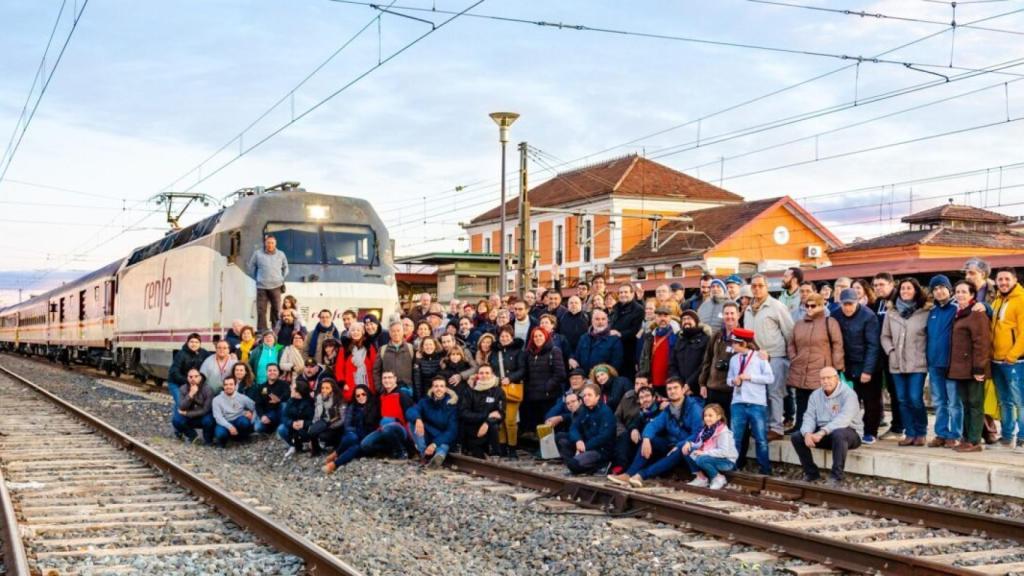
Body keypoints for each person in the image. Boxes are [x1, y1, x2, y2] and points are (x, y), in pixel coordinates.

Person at [608, 378, 703, 487]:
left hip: (689, 447)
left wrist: (680, 445)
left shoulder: (694, 408)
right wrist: (647, 438)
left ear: (683, 389)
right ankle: (629, 474)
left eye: (675, 388)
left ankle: (641, 475)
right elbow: (653, 425)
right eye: (669, 389)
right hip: (671, 444)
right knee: (651, 440)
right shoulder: (668, 409)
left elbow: (698, 434)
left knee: (679, 450)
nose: (672, 391)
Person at [791, 366, 864, 485]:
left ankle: (836, 476)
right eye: (822, 378)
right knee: (797, 436)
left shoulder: (849, 394)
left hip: (849, 434)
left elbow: (843, 419)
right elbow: (809, 416)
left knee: (839, 434)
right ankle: (811, 473)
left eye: (829, 378)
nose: (825, 381)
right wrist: (807, 433)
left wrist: (822, 432)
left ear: (837, 379)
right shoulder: (815, 395)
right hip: (825, 434)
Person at [743, 274, 794, 440]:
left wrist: (789, 357)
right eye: (754, 286)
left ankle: (776, 428)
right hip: (757, 357)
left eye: (760, 286)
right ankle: (762, 426)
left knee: (775, 393)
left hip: (775, 356)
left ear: (767, 287)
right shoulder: (749, 309)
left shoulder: (776, 306)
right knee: (760, 393)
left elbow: (789, 331)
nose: (757, 289)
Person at [881, 278, 930, 446]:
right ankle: (909, 433)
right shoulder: (891, 313)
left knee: (915, 398)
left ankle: (921, 431)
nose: (905, 291)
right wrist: (891, 351)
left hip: (917, 362)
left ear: (916, 291)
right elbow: (885, 336)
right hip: (896, 363)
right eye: (902, 289)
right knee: (901, 399)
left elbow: (930, 337)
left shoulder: (925, 313)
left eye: (909, 288)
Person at [787, 293, 844, 430]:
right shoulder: (799, 324)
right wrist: (794, 357)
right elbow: (791, 343)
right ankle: (800, 426)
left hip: (821, 368)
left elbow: (837, 345)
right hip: (800, 367)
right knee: (801, 400)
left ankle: (819, 428)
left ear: (821, 305)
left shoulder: (829, 322)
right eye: (807, 305)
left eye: (813, 305)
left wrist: (836, 367)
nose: (809, 308)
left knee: (819, 400)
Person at [833, 288, 882, 444]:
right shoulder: (836, 316)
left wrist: (867, 370)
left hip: (868, 363)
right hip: (848, 365)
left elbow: (873, 345)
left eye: (850, 304)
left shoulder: (868, 316)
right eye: (844, 304)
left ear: (857, 302)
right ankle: (851, 429)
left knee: (870, 401)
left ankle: (870, 432)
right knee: (849, 400)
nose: (847, 308)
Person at [951, 281, 993, 453]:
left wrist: (979, 368)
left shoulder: (976, 314)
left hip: (974, 368)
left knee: (975, 404)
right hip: (960, 368)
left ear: (972, 295)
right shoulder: (959, 313)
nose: (960, 294)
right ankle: (966, 437)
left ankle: (975, 440)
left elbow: (982, 343)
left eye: (964, 292)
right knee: (966, 404)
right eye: (958, 291)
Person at [727, 328, 775, 475]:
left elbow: (770, 378)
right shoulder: (734, 359)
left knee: (761, 438)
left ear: (743, 343)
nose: (732, 346)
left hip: (756, 403)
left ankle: (765, 468)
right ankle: (733, 466)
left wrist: (750, 377)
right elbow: (728, 380)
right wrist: (733, 381)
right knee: (735, 437)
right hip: (738, 402)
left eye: (735, 343)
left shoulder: (760, 357)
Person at [925, 275, 961, 448]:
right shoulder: (932, 312)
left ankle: (954, 434)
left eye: (942, 287)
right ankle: (941, 433)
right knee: (939, 402)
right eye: (935, 289)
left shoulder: (957, 308)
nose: (939, 291)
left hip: (951, 363)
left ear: (949, 289)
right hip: (934, 364)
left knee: (954, 402)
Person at [990, 267, 1024, 448]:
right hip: (996, 360)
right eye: (1000, 279)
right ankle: (1007, 434)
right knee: (1004, 401)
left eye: (1006, 279)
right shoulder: (997, 300)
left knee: (1020, 401)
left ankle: (1023, 437)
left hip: (1014, 361)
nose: (1003, 283)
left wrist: (1012, 355)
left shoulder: (1021, 300)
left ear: (1015, 280)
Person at [558, 382, 616, 474]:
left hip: (600, 450)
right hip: (585, 444)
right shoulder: (584, 410)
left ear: (597, 397)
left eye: (589, 395)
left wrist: (585, 447)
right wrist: (578, 440)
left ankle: (600, 466)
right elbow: (574, 428)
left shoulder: (605, 412)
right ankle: (577, 464)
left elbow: (604, 436)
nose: (586, 398)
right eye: (584, 395)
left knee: (574, 464)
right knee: (562, 440)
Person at [698, 301, 742, 422]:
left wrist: (764, 355)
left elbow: (755, 354)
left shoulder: (744, 336)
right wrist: (702, 383)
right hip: (713, 387)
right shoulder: (716, 335)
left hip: (733, 389)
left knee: (733, 423)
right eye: (726, 313)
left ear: (738, 315)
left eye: (732, 313)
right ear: (722, 316)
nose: (729, 316)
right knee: (714, 423)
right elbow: (707, 360)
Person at [871, 272, 902, 439]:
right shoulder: (878, 303)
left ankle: (899, 427)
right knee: (892, 390)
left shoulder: (898, 300)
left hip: (896, 353)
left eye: (881, 284)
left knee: (899, 393)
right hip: (883, 355)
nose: (878, 288)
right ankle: (897, 425)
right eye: (875, 285)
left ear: (891, 284)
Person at [360, 371, 415, 458]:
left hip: (400, 430)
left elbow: (411, 416)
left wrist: (412, 441)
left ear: (395, 379)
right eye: (384, 378)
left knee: (387, 422)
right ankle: (391, 449)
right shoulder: (382, 397)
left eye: (390, 377)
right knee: (365, 445)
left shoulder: (402, 395)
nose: (387, 380)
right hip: (384, 428)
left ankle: (402, 451)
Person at [522, 327, 567, 436]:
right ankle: (539, 448)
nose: (538, 338)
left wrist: (547, 386)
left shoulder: (554, 351)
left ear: (546, 336)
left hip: (548, 395)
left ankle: (549, 450)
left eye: (540, 335)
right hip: (533, 395)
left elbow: (560, 374)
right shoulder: (529, 353)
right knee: (537, 424)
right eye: (535, 336)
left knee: (548, 422)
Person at [683, 403, 738, 490]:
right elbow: (700, 445)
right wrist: (690, 444)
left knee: (701, 459)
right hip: (712, 456)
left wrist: (704, 453)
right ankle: (701, 479)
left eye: (710, 415)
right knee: (687, 450)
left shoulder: (723, 432)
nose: (707, 418)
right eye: (705, 415)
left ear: (718, 417)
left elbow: (724, 452)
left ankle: (718, 478)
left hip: (726, 461)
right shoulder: (706, 430)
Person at [409, 376, 460, 466]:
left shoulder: (452, 405)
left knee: (444, 445)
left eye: (441, 386)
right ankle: (424, 454)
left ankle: (438, 456)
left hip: (444, 437)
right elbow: (411, 411)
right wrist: (418, 419)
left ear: (445, 389)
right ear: (432, 388)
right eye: (436, 386)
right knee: (412, 422)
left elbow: (452, 431)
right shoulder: (425, 402)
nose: (438, 389)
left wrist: (434, 444)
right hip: (428, 434)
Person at [610, 384, 660, 474]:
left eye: (647, 396)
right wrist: (633, 429)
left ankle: (629, 472)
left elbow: (656, 427)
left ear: (653, 398)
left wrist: (645, 437)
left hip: (657, 445)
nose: (645, 399)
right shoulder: (641, 413)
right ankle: (621, 466)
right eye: (641, 398)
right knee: (625, 435)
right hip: (643, 446)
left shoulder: (660, 411)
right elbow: (634, 423)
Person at [491, 326, 526, 457]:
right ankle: (502, 446)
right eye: (502, 336)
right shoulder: (495, 352)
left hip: (512, 389)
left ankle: (512, 447)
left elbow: (522, 369)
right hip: (497, 389)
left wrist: (510, 378)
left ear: (511, 337)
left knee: (510, 420)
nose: (504, 338)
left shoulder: (518, 352)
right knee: (499, 419)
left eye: (507, 336)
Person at [323, 384, 373, 473]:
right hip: (352, 435)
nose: (361, 397)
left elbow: (371, 427)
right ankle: (334, 460)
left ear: (367, 394)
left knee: (356, 445)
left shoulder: (374, 407)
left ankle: (335, 459)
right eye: (358, 395)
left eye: (363, 394)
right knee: (352, 439)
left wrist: (357, 432)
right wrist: (354, 432)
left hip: (367, 438)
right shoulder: (352, 407)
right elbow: (347, 425)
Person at [460, 365, 506, 458]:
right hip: (472, 428)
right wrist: (486, 416)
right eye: (481, 373)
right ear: (477, 375)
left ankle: (495, 454)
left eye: (487, 373)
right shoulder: (469, 390)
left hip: (489, 428)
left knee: (493, 425)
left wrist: (487, 423)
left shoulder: (498, 391)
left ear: (492, 374)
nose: (484, 375)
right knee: (477, 456)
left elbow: (500, 414)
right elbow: (464, 413)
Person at [248, 234, 289, 331]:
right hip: (261, 287)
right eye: (268, 243)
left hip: (276, 286)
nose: (270, 245)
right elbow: (251, 267)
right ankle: (262, 330)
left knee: (276, 309)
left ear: (275, 244)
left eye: (272, 243)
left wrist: (282, 278)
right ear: (265, 243)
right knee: (261, 310)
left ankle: (276, 329)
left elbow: (286, 267)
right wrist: (257, 278)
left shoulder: (281, 254)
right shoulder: (257, 254)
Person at [668, 310, 710, 396]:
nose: (686, 321)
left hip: (697, 388)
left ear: (696, 322)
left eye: (689, 318)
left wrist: (689, 384)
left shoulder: (706, 339)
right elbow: (672, 364)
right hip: (680, 388)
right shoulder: (679, 340)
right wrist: (679, 384)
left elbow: (704, 365)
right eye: (683, 319)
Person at [637, 305, 678, 391]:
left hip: (671, 379)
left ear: (670, 318)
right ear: (655, 318)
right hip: (653, 379)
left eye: (665, 316)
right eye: (659, 316)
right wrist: (644, 375)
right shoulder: (649, 336)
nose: (662, 319)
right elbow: (643, 357)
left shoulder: (677, 335)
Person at [571, 309, 624, 374]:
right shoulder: (584, 338)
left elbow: (616, 363)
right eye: (597, 319)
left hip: (602, 378)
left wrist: (602, 376)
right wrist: (572, 359)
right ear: (592, 321)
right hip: (584, 377)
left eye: (603, 319)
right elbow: (577, 356)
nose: (600, 322)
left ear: (607, 321)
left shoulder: (614, 339)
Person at [609, 283, 646, 378]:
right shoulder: (616, 307)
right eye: (621, 292)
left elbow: (636, 329)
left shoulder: (638, 309)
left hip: (629, 349)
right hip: (615, 347)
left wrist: (620, 334)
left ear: (632, 294)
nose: (623, 294)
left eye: (626, 292)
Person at [172, 368, 215, 444]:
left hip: (202, 416)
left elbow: (206, 410)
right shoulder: (183, 388)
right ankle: (193, 436)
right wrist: (190, 395)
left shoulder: (208, 389)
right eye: (190, 377)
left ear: (200, 377)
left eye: (196, 376)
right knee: (176, 420)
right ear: (187, 378)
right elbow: (181, 406)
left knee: (209, 421)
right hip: (189, 417)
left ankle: (208, 440)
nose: (193, 379)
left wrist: (187, 413)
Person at [168, 333, 211, 409]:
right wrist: (188, 381)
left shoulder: (204, 353)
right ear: (187, 342)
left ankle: (188, 419)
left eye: (196, 342)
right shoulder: (181, 354)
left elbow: (213, 358)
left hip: (192, 383)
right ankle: (177, 419)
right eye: (191, 342)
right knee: (181, 403)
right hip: (176, 383)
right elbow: (174, 371)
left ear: (200, 344)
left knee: (192, 404)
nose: (194, 344)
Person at [212, 375, 257, 448]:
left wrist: (252, 417)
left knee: (244, 423)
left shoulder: (242, 397)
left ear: (235, 386)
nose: (228, 387)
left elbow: (255, 406)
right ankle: (223, 443)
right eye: (226, 385)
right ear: (223, 386)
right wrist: (230, 427)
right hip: (225, 422)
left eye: (231, 384)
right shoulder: (216, 400)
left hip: (238, 420)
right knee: (220, 434)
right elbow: (218, 417)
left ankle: (240, 439)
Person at [336, 323, 377, 401]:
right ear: (350, 333)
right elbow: (339, 368)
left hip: (368, 385)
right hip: (350, 386)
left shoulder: (369, 347)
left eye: (358, 330)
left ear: (362, 332)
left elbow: (375, 366)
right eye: (353, 330)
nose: (355, 332)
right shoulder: (344, 348)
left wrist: (376, 384)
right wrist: (342, 383)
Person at [307, 378, 344, 456]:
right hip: (323, 422)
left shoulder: (338, 399)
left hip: (335, 425)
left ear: (332, 389)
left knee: (323, 435)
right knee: (311, 431)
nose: (324, 390)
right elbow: (316, 415)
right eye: (323, 388)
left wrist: (330, 426)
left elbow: (342, 419)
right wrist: (314, 425)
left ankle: (336, 445)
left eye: (327, 388)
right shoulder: (319, 398)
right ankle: (316, 450)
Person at [375, 321, 416, 391]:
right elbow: (376, 371)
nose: (396, 333)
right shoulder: (383, 349)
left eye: (398, 330)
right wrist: (380, 388)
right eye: (393, 331)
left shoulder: (411, 348)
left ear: (403, 332)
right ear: (389, 333)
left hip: (407, 389)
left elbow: (416, 371)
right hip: (388, 390)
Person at [282, 378, 315, 458]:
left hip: (305, 429)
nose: (290, 388)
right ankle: (293, 445)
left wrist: (303, 423)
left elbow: (314, 420)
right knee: (281, 429)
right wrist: (291, 423)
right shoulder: (290, 400)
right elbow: (284, 416)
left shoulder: (309, 404)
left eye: (293, 388)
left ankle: (307, 444)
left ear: (298, 392)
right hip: (293, 427)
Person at [253, 364, 289, 435]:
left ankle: (281, 429)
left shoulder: (284, 384)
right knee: (258, 427)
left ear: (278, 372)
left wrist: (279, 399)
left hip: (279, 412)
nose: (272, 372)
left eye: (274, 370)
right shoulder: (261, 387)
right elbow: (258, 404)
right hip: (268, 414)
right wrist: (262, 416)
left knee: (284, 404)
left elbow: (287, 395)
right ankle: (271, 429)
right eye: (270, 370)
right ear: (266, 372)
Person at [413, 336, 444, 401]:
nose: (428, 347)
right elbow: (417, 381)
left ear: (435, 346)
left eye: (431, 344)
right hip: (424, 392)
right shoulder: (418, 360)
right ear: (422, 347)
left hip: (439, 392)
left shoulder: (441, 358)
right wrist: (419, 398)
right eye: (426, 345)